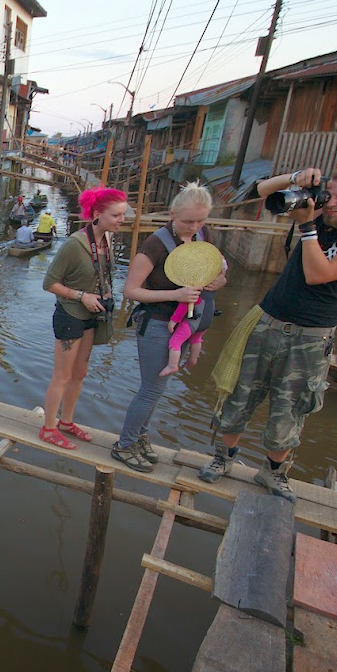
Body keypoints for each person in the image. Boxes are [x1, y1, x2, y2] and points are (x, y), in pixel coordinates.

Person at [198, 166, 337, 500]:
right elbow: (261, 191)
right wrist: (296, 179)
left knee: (291, 407)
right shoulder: (317, 212)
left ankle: (273, 473)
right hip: (269, 319)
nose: (331, 203)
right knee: (239, 395)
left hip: (311, 334)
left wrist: (307, 225)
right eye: (329, 194)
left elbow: (321, 274)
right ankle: (224, 458)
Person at [112, 184, 227, 471]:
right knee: (151, 389)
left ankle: (139, 436)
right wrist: (174, 295)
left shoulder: (203, 237)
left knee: (157, 388)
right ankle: (124, 444)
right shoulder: (155, 244)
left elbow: (219, 273)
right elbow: (131, 291)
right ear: (173, 214)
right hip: (157, 322)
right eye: (188, 221)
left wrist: (218, 281)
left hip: (187, 322)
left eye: (201, 221)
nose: (195, 227)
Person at [37, 187, 129, 449]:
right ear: (97, 214)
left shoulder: (106, 240)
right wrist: (81, 296)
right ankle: (49, 427)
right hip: (71, 315)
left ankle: (66, 421)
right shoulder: (74, 245)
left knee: (80, 372)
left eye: (123, 215)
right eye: (116, 215)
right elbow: (49, 283)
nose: (121, 220)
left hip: (92, 315)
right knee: (62, 375)